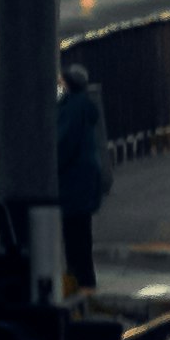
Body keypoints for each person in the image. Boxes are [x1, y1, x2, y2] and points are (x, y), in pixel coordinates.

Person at [53, 40, 114, 295]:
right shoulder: (85, 108)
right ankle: (85, 282)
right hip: (86, 182)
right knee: (82, 235)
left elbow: (62, 146)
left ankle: (81, 284)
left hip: (73, 186)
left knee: (74, 237)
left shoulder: (71, 110)